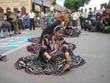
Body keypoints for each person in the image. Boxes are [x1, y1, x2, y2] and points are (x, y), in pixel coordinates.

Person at [15, 20, 85, 75]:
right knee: (56, 55)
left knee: (68, 51)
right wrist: (50, 58)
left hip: (55, 52)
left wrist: (67, 55)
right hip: (46, 54)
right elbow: (42, 51)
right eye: (59, 33)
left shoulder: (61, 39)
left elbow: (64, 45)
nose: (61, 34)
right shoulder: (47, 38)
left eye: (62, 33)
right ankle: (61, 65)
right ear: (55, 33)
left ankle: (63, 63)